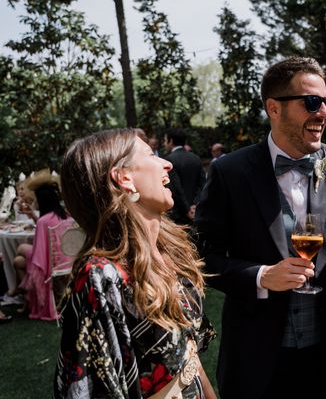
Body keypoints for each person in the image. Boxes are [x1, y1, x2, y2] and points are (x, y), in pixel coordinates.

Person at [195, 56, 326, 398]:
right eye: (311, 102)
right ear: (274, 109)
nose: (323, 112)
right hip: (258, 357)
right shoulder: (229, 172)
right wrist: (262, 275)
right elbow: (203, 256)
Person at [53, 129, 217, 399]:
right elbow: (87, 386)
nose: (168, 163)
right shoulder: (102, 275)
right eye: (152, 155)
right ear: (124, 178)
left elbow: (191, 358)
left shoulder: (170, 250)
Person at [14, 170, 71, 320]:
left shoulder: (44, 221)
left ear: (42, 200)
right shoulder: (65, 215)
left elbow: (40, 256)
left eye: (37, 199)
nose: (35, 202)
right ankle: (25, 298)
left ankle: (25, 298)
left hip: (50, 265)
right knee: (18, 261)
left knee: (20, 251)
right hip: (68, 261)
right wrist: (33, 215)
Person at [164, 128, 206, 224]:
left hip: (178, 215)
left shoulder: (169, 159)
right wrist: (195, 205)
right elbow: (203, 184)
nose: (164, 144)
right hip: (195, 212)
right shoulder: (196, 158)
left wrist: (187, 210)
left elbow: (175, 188)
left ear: (171, 141)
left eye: (165, 140)